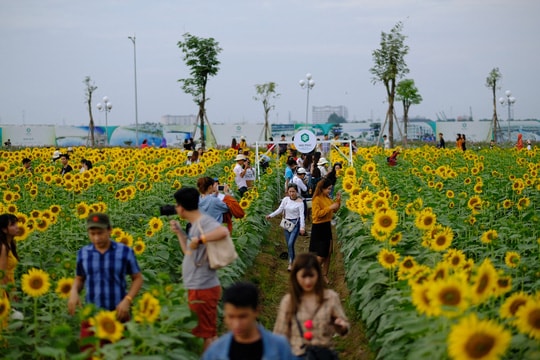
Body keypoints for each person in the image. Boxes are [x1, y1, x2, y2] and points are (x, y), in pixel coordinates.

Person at [169, 187, 230, 351]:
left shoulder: (204, 222)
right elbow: (189, 253)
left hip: (204, 287)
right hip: (197, 286)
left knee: (207, 334)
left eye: (177, 205)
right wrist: (180, 234)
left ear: (181, 207)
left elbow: (223, 231)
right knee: (204, 332)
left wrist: (201, 239)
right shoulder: (195, 224)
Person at [68, 213, 143, 345]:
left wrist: (128, 300)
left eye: (100, 233)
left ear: (109, 230)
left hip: (118, 314)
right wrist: (74, 292)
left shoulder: (124, 251)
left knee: (120, 354)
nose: (96, 238)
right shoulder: (83, 253)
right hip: (92, 315)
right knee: (90, 353)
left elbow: (137, 278)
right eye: (92, 233)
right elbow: (80, 278)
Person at [273, 253, 349, 358]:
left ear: (318, 274)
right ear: (296, 276)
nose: (308, 281)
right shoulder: (289, 301)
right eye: (303, 276)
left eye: (311, 276)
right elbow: (280, 333)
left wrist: (341, 325)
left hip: (323, 354)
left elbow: (344, 327)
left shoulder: (330, 297)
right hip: (297, 354)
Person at [202, 282, 294, 360]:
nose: (236, 324)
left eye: (242, 317)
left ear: (257, 311)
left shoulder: (280, 347)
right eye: (231, 317)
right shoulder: (215, 352)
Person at [266, 184, 305, 270]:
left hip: (295, 223)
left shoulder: (300, 202)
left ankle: (291, 263)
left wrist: (302, 227)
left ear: (296, 192)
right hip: (286, 222)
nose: (292, 193)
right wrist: (271, 215)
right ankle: (292, 261)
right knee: (288, 245)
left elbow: (302, 215)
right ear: (287, 192)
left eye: (293, 191)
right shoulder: (285, 200)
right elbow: (280, 209)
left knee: (291, 243)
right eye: (290, 191)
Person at [309, 178, 341, 284]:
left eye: (330, 189)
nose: (329, 191)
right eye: (328, 189)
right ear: (322, 189)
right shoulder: (316, 199)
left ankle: (324, 275)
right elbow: (317, 214)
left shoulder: (327, 198)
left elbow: (334, 210)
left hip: (327, 226)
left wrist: (338, 201)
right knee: (321, 255)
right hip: (319, 227)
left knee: (328, 253)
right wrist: (330, 207)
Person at [0, 214, 21, 295]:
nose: (17, 226)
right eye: (12, 225)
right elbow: (2, 274)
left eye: (16, 223)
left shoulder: (10, 244)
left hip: (9, 286)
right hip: (4, 290)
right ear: (4, 229)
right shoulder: (3, 247)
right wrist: (11, 294)